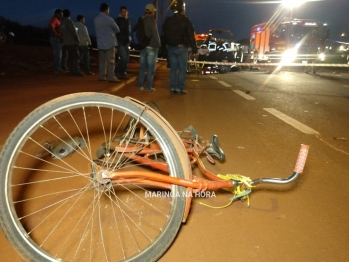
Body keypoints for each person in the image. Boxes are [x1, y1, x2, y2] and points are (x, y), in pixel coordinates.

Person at [161, 2, 197, 94]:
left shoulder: (168, 20)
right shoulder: (186, 20)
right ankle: (180, 88)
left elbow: (163, 35)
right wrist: (194, 49)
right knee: (182, 69)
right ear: (182, 9)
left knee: (173, 69)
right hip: (182, 48)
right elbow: (190, 35)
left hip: (171, 48)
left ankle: (173, 88)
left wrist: (164, 48)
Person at [94, 3, 121, 82]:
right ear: (106, 10)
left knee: (102, 61)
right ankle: (111, 77)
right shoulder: (109, 19)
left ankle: (102, 76)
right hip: (109, 43)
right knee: (111, 61)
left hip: (100, 43)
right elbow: (117, 29)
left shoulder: (96, 19)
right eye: (108, 10)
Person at [136, 4, 161, 91]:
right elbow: (155, 34)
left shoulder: (142, 20)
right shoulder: (152, 21)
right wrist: (159, 43)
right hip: (152, 47)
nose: (154, 12)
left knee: (142, 67)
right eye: (153, 11)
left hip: (143, 46)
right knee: (151, 68)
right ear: (151, 12)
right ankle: (148, 87)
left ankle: (140, 86)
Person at [60, 9, 83, 76]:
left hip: (66, 42)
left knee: (70, 57)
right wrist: (78, 40)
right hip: (72, 42)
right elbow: (74, 32)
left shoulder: (62, 22)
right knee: (76, 57)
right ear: (69, 15)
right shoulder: (69, 21)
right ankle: (76, 70)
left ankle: (72, 70)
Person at [115, 6, 131, 79]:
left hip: (126, 42)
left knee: (127, 59)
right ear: (120, 12)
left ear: (127, 12)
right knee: (123, 58)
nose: (124, 13)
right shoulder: (118, 20)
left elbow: (128, 32)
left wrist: (130, 39)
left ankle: (122, 72)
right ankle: (118, 71)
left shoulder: (128, 21)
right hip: (120, 41)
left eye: (125, 11)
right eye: (122, 11)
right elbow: (115, 31)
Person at [48, 9, 64, 73]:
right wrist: (56, 35)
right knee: (58, 54)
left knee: (58, 54)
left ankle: (57, 67)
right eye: (60, 14)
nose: (61, 16)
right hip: (56, 40)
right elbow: (50, 26)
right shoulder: (54, 19)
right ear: (57, 14)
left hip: (57, 39)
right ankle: (57, 68)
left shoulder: (57, 20)